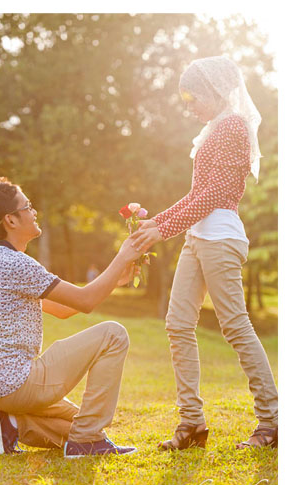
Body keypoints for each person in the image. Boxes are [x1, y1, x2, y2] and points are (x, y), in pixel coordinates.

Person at [131, 56, 278, 450]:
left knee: (234, 325)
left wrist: (161, 229)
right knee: (178, 324)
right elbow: (196, 195)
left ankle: (272, 421)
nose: (188, 106)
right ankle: (192, 424)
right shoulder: (215, 127)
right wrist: (156, 225)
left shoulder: (232, 125)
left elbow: (215, 195)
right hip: (196, 239)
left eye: (192, 97)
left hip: (219, 238)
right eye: (184, 98)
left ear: (214, 90)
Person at [0, 177, 142, 458]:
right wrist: (123, 256)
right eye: (27, 206)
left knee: (80, 423)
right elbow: (85, 302)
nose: (33, 211)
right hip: (18, 382)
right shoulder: (15, 263)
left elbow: (64, 309)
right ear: (10, 220)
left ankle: (13, 423)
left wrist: (116, 282)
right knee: (114, 333)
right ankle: (86, 442)